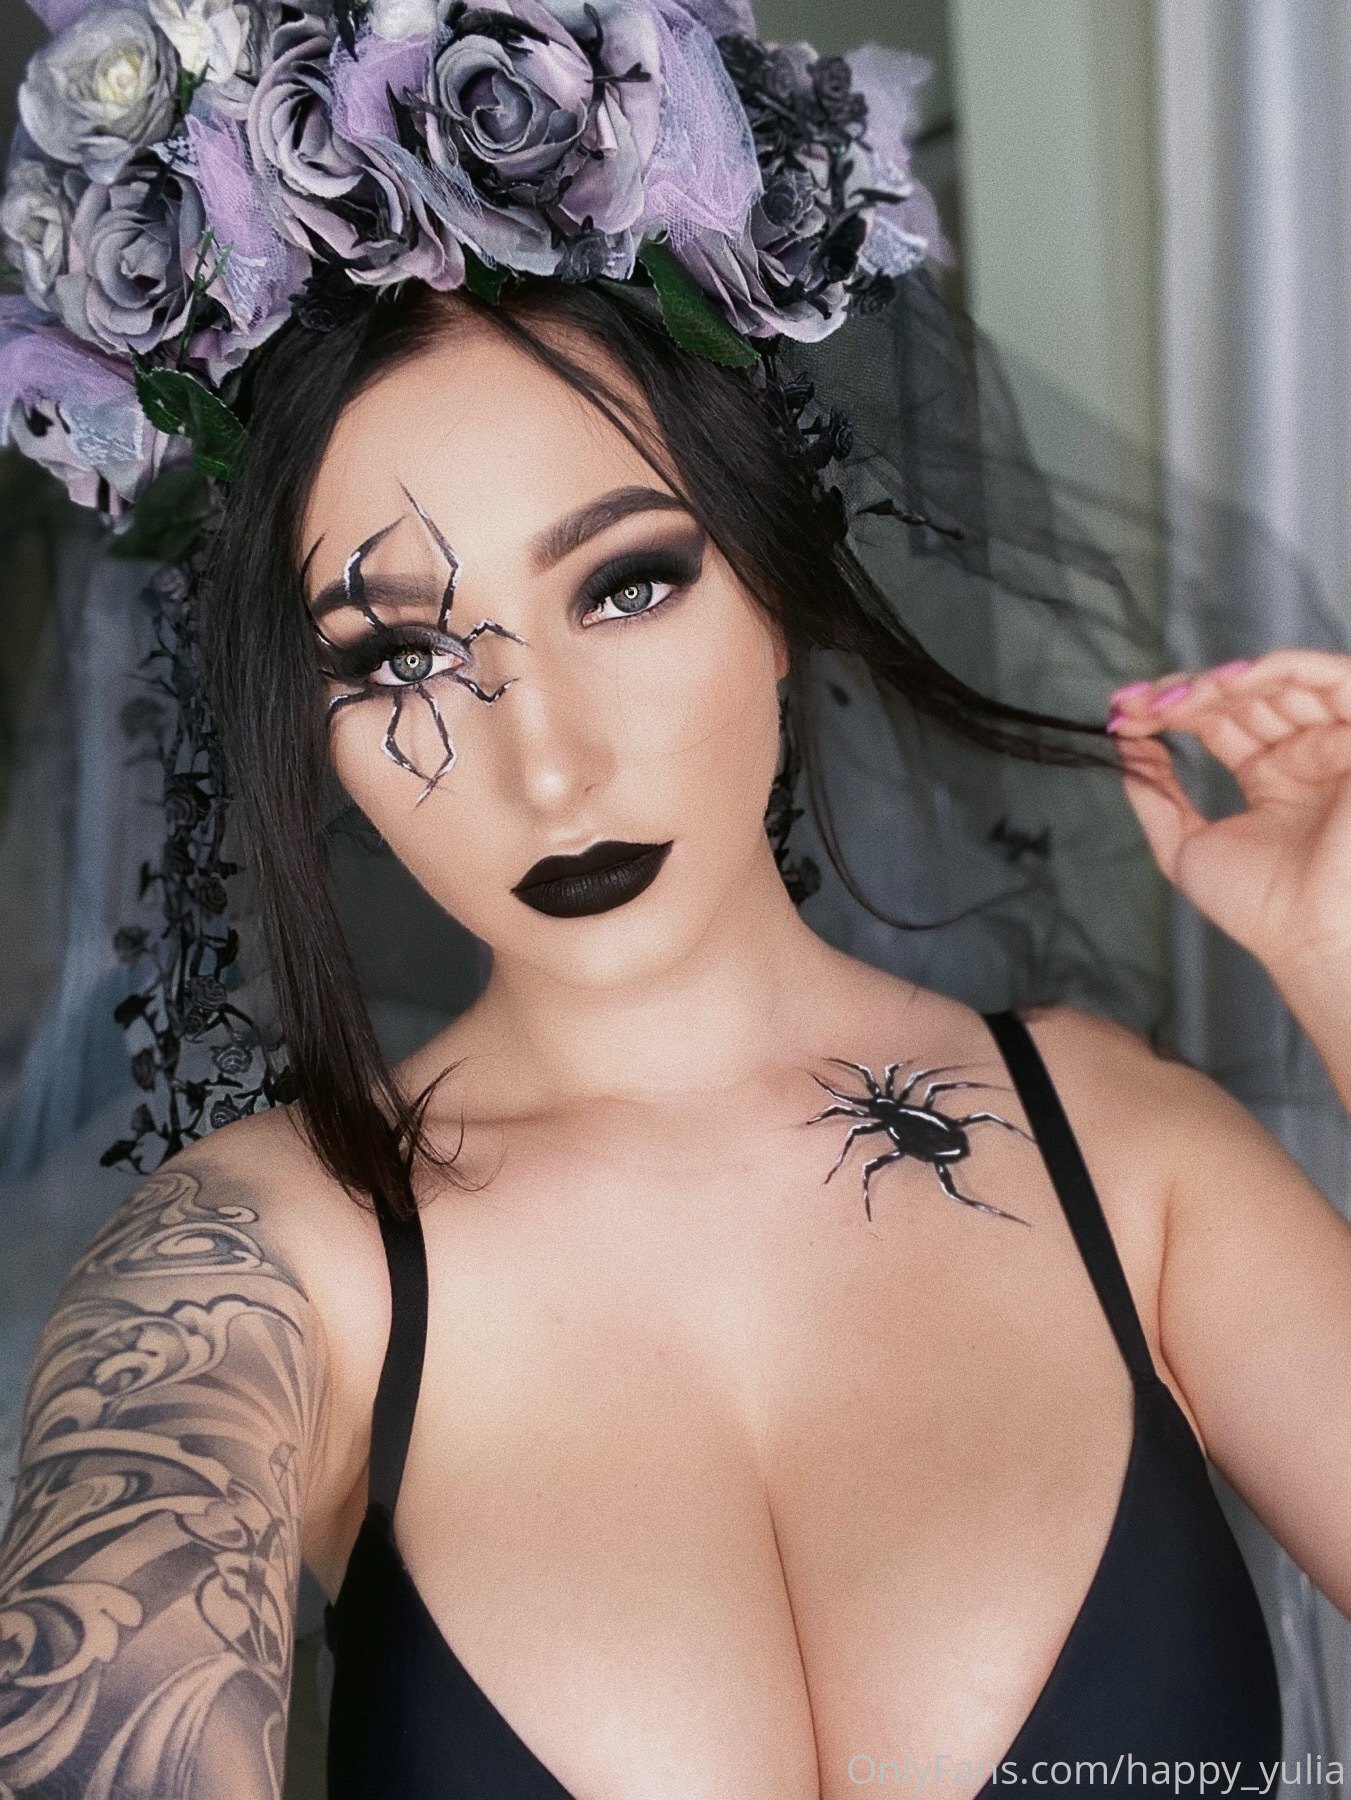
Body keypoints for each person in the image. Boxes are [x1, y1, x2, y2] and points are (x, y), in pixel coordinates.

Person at [0, 4, 1348, 1798]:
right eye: (399, 658)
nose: (546, 765)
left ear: (777, 590)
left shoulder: (1131, 1157)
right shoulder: (256, 1269)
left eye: (627, 587)